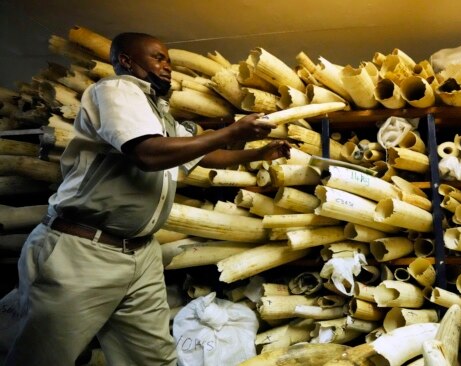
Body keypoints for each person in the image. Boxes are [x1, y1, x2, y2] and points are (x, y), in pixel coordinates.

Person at [6, 32, 290, 366]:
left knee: (153, 358)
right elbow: (147, 154)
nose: (167, 66)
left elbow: (203, 156)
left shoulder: (158, 114)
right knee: (46, 357)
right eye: (158, 57)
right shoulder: (115, 91)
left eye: (168, 59)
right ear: (126, 61)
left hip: (140, 252)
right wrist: (233, 132)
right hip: (85, 250)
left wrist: (260, 152)